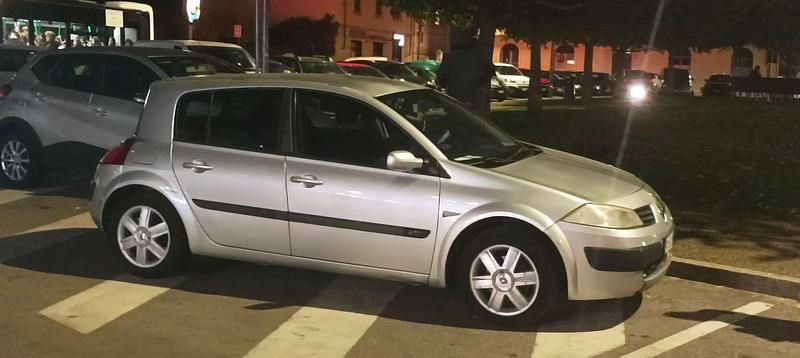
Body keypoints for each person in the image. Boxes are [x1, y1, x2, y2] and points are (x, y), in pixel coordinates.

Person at [436, 36, 495, 111]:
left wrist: (444, 83)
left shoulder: (450, 56)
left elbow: (440, 76)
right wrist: (479, 81)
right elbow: (490, 69)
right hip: (473, 95)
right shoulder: (477, 55)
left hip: (454, 95)